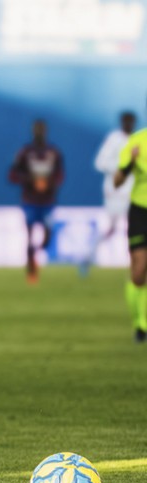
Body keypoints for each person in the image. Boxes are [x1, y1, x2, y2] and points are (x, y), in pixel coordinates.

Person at [79, 111, 137, 276]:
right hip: (115, 192)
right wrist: (122, 167)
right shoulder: (113, 139)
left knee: (135, 229)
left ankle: (135, 264)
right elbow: (99, 163)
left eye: (131, 121)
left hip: (133, 192)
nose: (128, 124)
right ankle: (87, 257)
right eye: (126, 121)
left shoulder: (136, 140)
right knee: (111, 228)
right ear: (121, 122)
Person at [8, 119, 64, 284]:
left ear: (46, 131)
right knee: (30, 235)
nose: (39, 132)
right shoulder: (25, 152)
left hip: (47, 201)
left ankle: (36, 254)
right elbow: (12, 175)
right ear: (33, 131)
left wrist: (49, 184)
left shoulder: (54, 152)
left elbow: (60, 175)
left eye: (42, 129)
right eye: (37, 130)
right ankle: (31, 270)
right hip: (29, 200)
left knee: (47, 236)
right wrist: (30, 181)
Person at [114, 119, 147, 342]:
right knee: (139, 271)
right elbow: (117, 181)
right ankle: (138, 322)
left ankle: (143, 325)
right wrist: (129, 164)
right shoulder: (136, 141)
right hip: (140, 212)